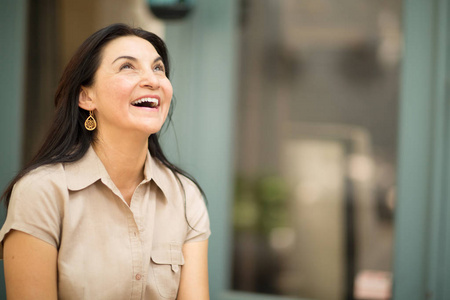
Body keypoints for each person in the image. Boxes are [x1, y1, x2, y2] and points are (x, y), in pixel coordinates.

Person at [0, 23, 210, 300]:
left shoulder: (186, 196)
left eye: (158, 68)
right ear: (86, 96)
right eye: (127, 67)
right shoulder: (41, 191)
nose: (153, 80)